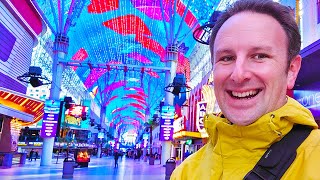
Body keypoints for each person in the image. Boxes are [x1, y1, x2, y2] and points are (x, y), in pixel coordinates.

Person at [171, 0, 320, 179]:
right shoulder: (185, 173)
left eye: (259, 56)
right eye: (226, 58)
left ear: (291, 70)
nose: (238, 74)